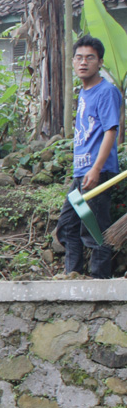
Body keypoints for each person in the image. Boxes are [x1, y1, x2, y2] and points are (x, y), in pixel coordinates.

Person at [57, 35, 122, 279]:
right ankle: (72, 275)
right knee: (67, 226)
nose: (83, 62)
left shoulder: (106, 92)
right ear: (73, 61)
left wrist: (96, 169)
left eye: (90, 58)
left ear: (100, 62)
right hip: (82, 173)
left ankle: (98, 281)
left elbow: (110, 131)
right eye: (79, 58)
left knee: (94, 230)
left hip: (98, 172)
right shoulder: (84, 92)